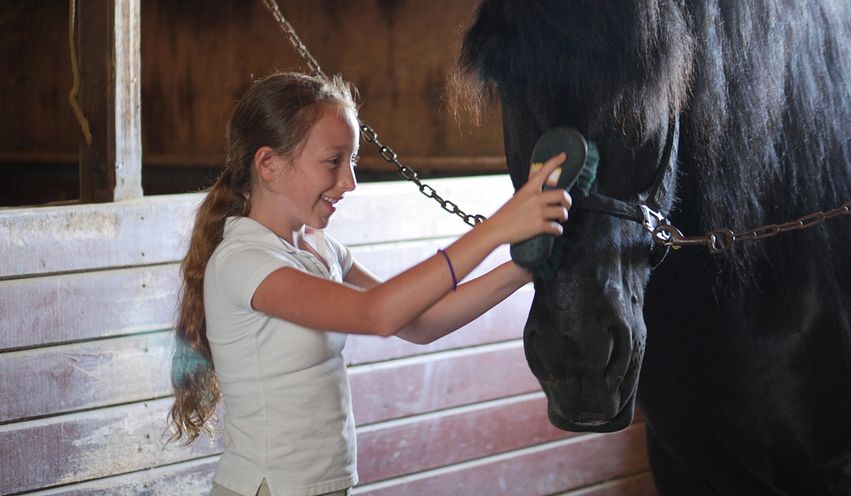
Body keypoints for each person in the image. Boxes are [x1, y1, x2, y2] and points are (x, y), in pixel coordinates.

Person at [166, 71, 570, 496]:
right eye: (333, 161)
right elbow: (375, 313)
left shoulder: (321, 251)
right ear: (269, 165)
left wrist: (524, 268)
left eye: (352, 162)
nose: (349, 182)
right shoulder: (244, 260)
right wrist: (496, 229)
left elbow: (420, 322)